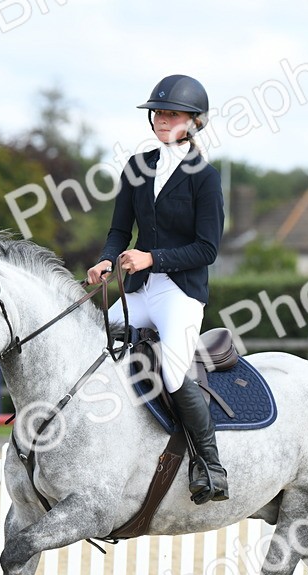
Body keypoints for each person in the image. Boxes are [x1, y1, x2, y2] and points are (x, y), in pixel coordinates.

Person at [86, 74, 227, 504]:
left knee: (171, 372)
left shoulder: (204, 177)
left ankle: (211, 465)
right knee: (91, 334)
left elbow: (207, 248)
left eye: (172, 113)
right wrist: (108, 258)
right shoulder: (137, 166)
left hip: (179, 295)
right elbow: (118, 230)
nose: (163, 119)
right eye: (159, 112)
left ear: (194, 122)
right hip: (142, 290)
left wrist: (153, 258)